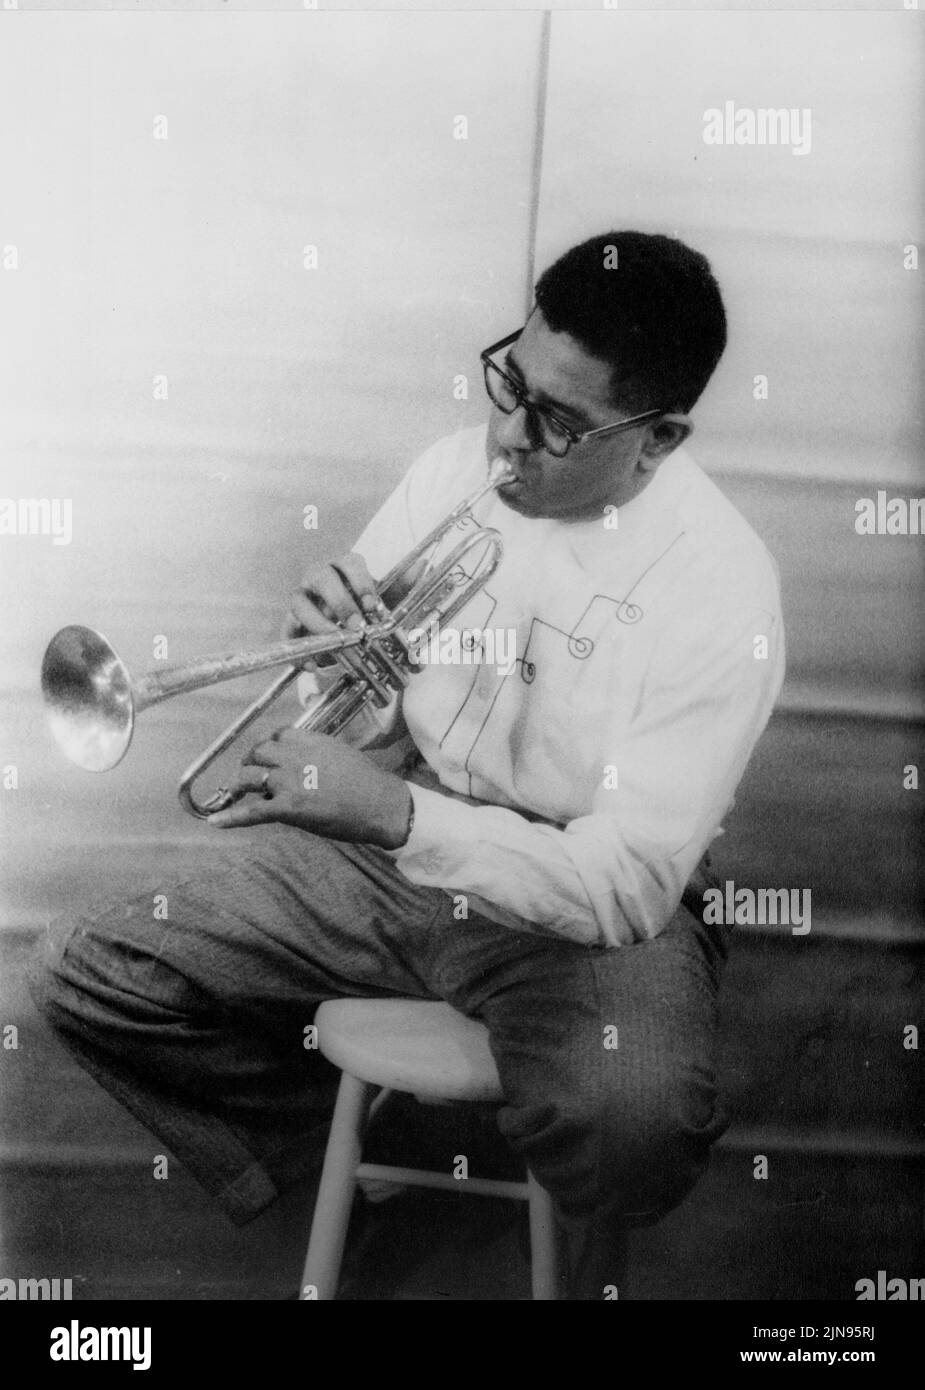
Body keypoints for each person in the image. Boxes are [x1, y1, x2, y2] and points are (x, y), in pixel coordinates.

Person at [29, 230, 785, 1299]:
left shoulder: (723, 592)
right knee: (86, 965)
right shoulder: (450, 474)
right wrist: (321, 654)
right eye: (511, 386)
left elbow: (625, 883)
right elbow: (336, 715)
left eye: (558, 422)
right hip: (395, 848)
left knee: (633, 1132)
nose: (507, 438)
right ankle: (344, 1157)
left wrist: (394, 818)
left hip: (578, 910)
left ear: (659, 438)